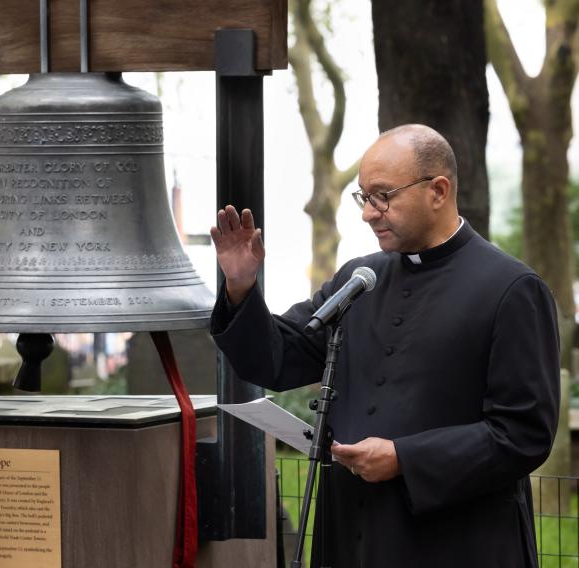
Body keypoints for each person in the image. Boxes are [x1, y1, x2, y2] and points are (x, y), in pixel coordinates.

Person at [209, 124, 560, 567]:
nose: (368, 213)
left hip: (455, 540)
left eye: (383, 196)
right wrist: (241, 286)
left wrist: (404, 459)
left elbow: (524, 435)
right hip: (352, 532)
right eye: (363, 197)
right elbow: (278, 358)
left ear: (438, 190)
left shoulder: (512, 289)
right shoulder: (360, 279)